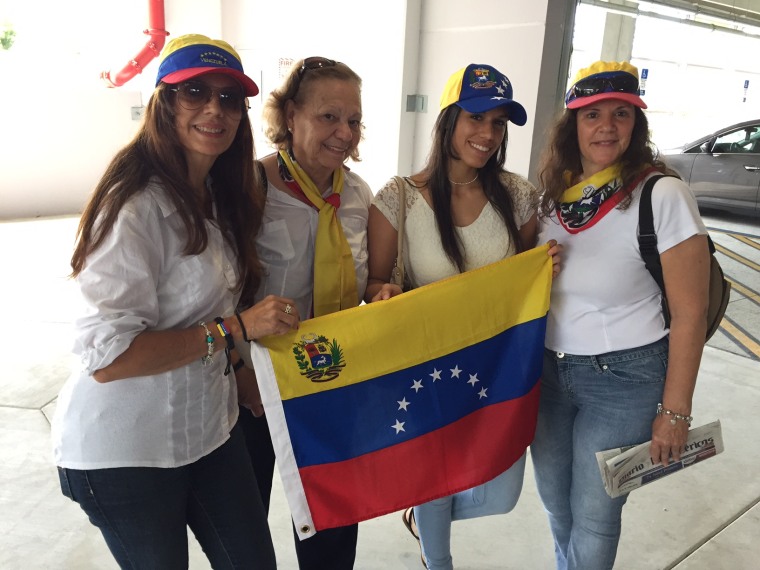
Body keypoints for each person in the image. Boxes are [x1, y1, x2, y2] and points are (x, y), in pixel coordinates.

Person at [51, 34, 298, 569]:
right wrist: (235, 330)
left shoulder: (219, 195)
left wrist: (243, 372)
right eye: (195, 93)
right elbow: (109, 357)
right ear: (164, 103)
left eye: (230, 98)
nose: (215, 109)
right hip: (127, 452)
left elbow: (206, 308)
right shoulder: (133, 209)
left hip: (207, 429)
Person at [366, 63, 560, 570]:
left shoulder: (516, 195)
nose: (488, 134)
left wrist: (546, 268)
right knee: (436, 480)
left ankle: (425, 511)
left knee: (502, 493)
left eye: (499, 123)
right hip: (427, 368)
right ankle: (438, 557)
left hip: (497, 368)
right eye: (477, 117)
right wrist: (382, 292)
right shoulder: (399, 197)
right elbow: (373, 283)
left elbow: (525, 277)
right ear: (449, 120)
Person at [530, 60, 710, 570]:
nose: (607, 127)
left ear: (636, 124)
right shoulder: (551, 198)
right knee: (555, 501)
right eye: (592, 115)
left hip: (624, 379)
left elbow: (690, 314)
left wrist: (675, 412)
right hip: (547, 373)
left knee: (594, 513)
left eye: (621, 114)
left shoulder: (662, 195)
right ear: (573, 125)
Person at [236, 56, 372, 570]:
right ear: (291, 115)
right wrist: (240, 374)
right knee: (244, 528)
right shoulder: (250, 189)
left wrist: (382, 291)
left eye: (354, 120)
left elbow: (375, 278)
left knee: (332, 532)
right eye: (329, 116)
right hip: (256, 388)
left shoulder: (358, 196)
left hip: (330, 386)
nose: (344, 133)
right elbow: (218, 291)